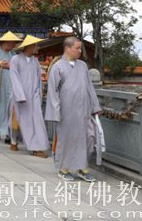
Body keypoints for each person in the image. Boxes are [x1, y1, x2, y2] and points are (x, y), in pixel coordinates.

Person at [45, 36, 102, 182]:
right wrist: (56, 111)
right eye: (77, 48)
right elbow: (53, 92)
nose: (80, 51)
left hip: (84, 110)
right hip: (66, 111)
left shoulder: (82, 66)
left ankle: (82, 167)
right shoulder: (58, 67)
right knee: (67, 140)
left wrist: (95, 106)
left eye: (80, 48)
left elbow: (90, 87)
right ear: (67, 48)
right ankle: (64, 169)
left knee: (89, 138)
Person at [8, 35, 49, 157]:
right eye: (35, 45)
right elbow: (14, 78)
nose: (37, 47)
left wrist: (38, 94)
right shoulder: (15, 59)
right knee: (17, 119)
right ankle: (14, 141)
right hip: (19, 95)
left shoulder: (35, 61)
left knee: (36, 121)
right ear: (29, 46)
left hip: (33, 97)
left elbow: (38, 80)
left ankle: (36, 147)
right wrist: (20, 95)